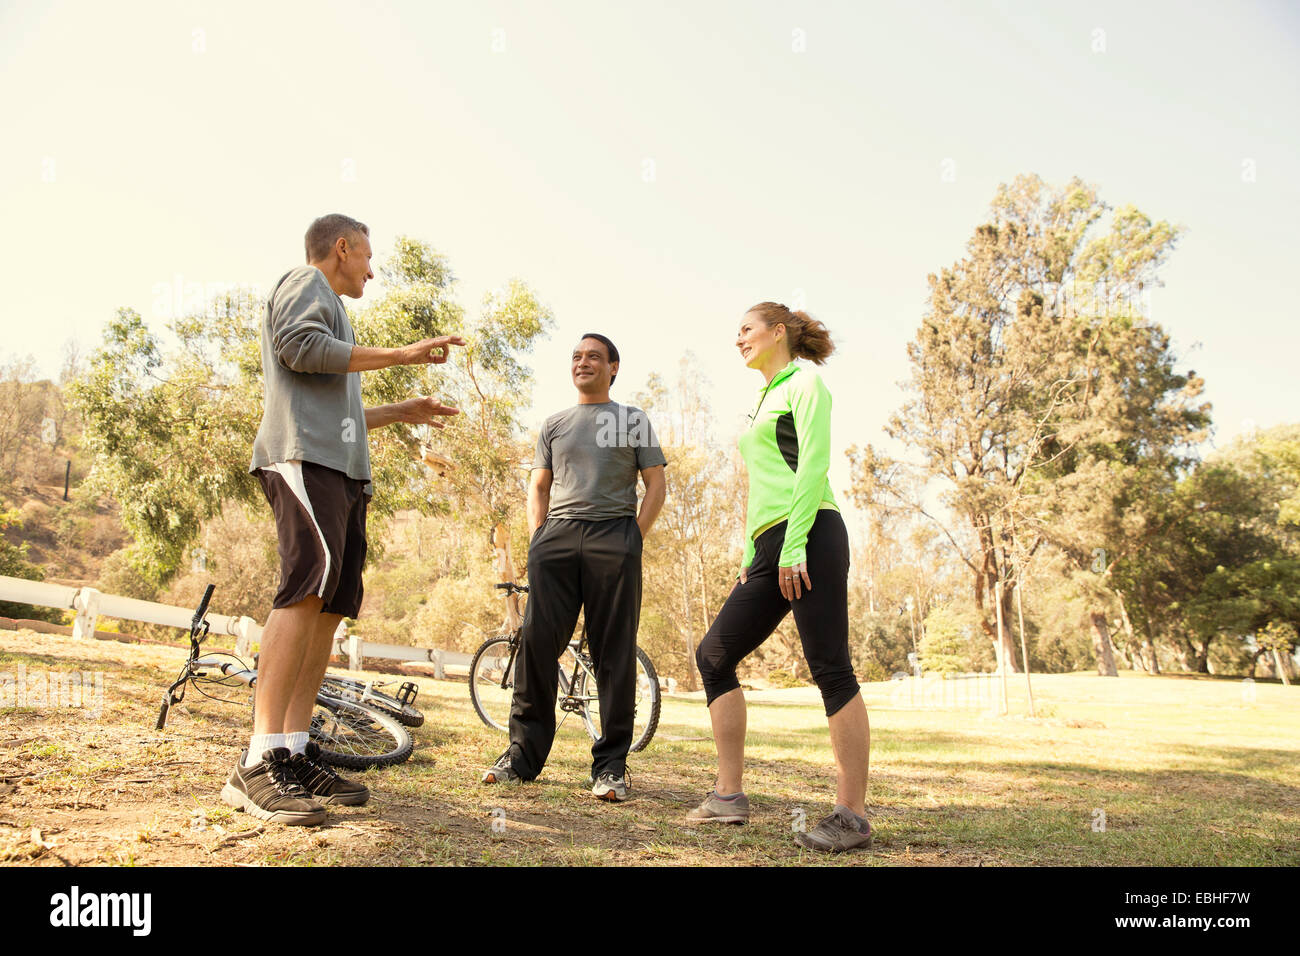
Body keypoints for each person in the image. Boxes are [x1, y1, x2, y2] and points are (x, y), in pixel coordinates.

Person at [223, 213, 465, 826]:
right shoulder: (306, 284)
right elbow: (299, 349)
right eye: (367, 256)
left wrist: (400, 410)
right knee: (305, 589)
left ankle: (294, 749)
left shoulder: (337, 314)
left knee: (329, 608)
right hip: (303, 458)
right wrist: (404, 354)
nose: (371, 268)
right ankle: (257, 760)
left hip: (341, 470)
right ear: (341, 247)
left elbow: (341, 406)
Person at [686, 302, 872, 852]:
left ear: (778, 332)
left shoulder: (805, 383)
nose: (737, 338)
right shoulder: (762, 400)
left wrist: (793, 546)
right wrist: (751, 550)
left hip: (810, 533)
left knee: (830, 668)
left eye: (745, 328)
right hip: (771, 544)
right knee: (713, 655)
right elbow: (761, 483)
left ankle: (853, 815)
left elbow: (813, 465)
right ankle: (728, 796)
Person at [482, 333, 667, 801]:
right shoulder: (554, 423)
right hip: (558, 538)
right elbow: (538, 486)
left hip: (615, 536)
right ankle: (521, 758)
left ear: (614, 367)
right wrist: (538, 538)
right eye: (577, 356)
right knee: (536, 646)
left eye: (594, 357)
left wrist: (632, 539)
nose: (583, 363)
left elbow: (656, 484)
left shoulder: (633, 420)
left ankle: (610, 767)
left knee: (614, 652)